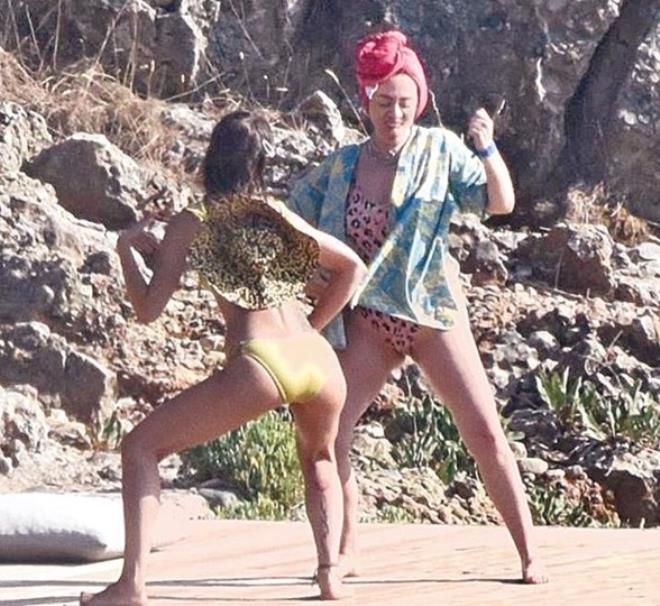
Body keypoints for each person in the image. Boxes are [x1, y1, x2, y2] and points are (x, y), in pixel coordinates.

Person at [289, 30, 548, 584]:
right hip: (370, 319)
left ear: (420, 102)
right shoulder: (341, 167)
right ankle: (347, 549)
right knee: (333, 430)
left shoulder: (439, 149)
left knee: (484, 432)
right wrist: (308, 280)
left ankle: (529, 553)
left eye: (405, 102)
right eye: (384, 101)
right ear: (367, 101)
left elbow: (500, 202)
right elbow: (293, 222)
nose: (395, 113)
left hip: (432, 312)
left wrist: (486, 146)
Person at [80, 110, 366, 605]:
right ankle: (329, 576)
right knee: (319, 458)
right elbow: (352, 268)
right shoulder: (276, 213)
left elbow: (148, 309)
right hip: (317, 361)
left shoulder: (194, 220)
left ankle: (131, 585)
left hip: (261, 362)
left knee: (140, 448)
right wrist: (312, 327)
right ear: (260, 163)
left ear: (211, 158)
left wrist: (127, 250)